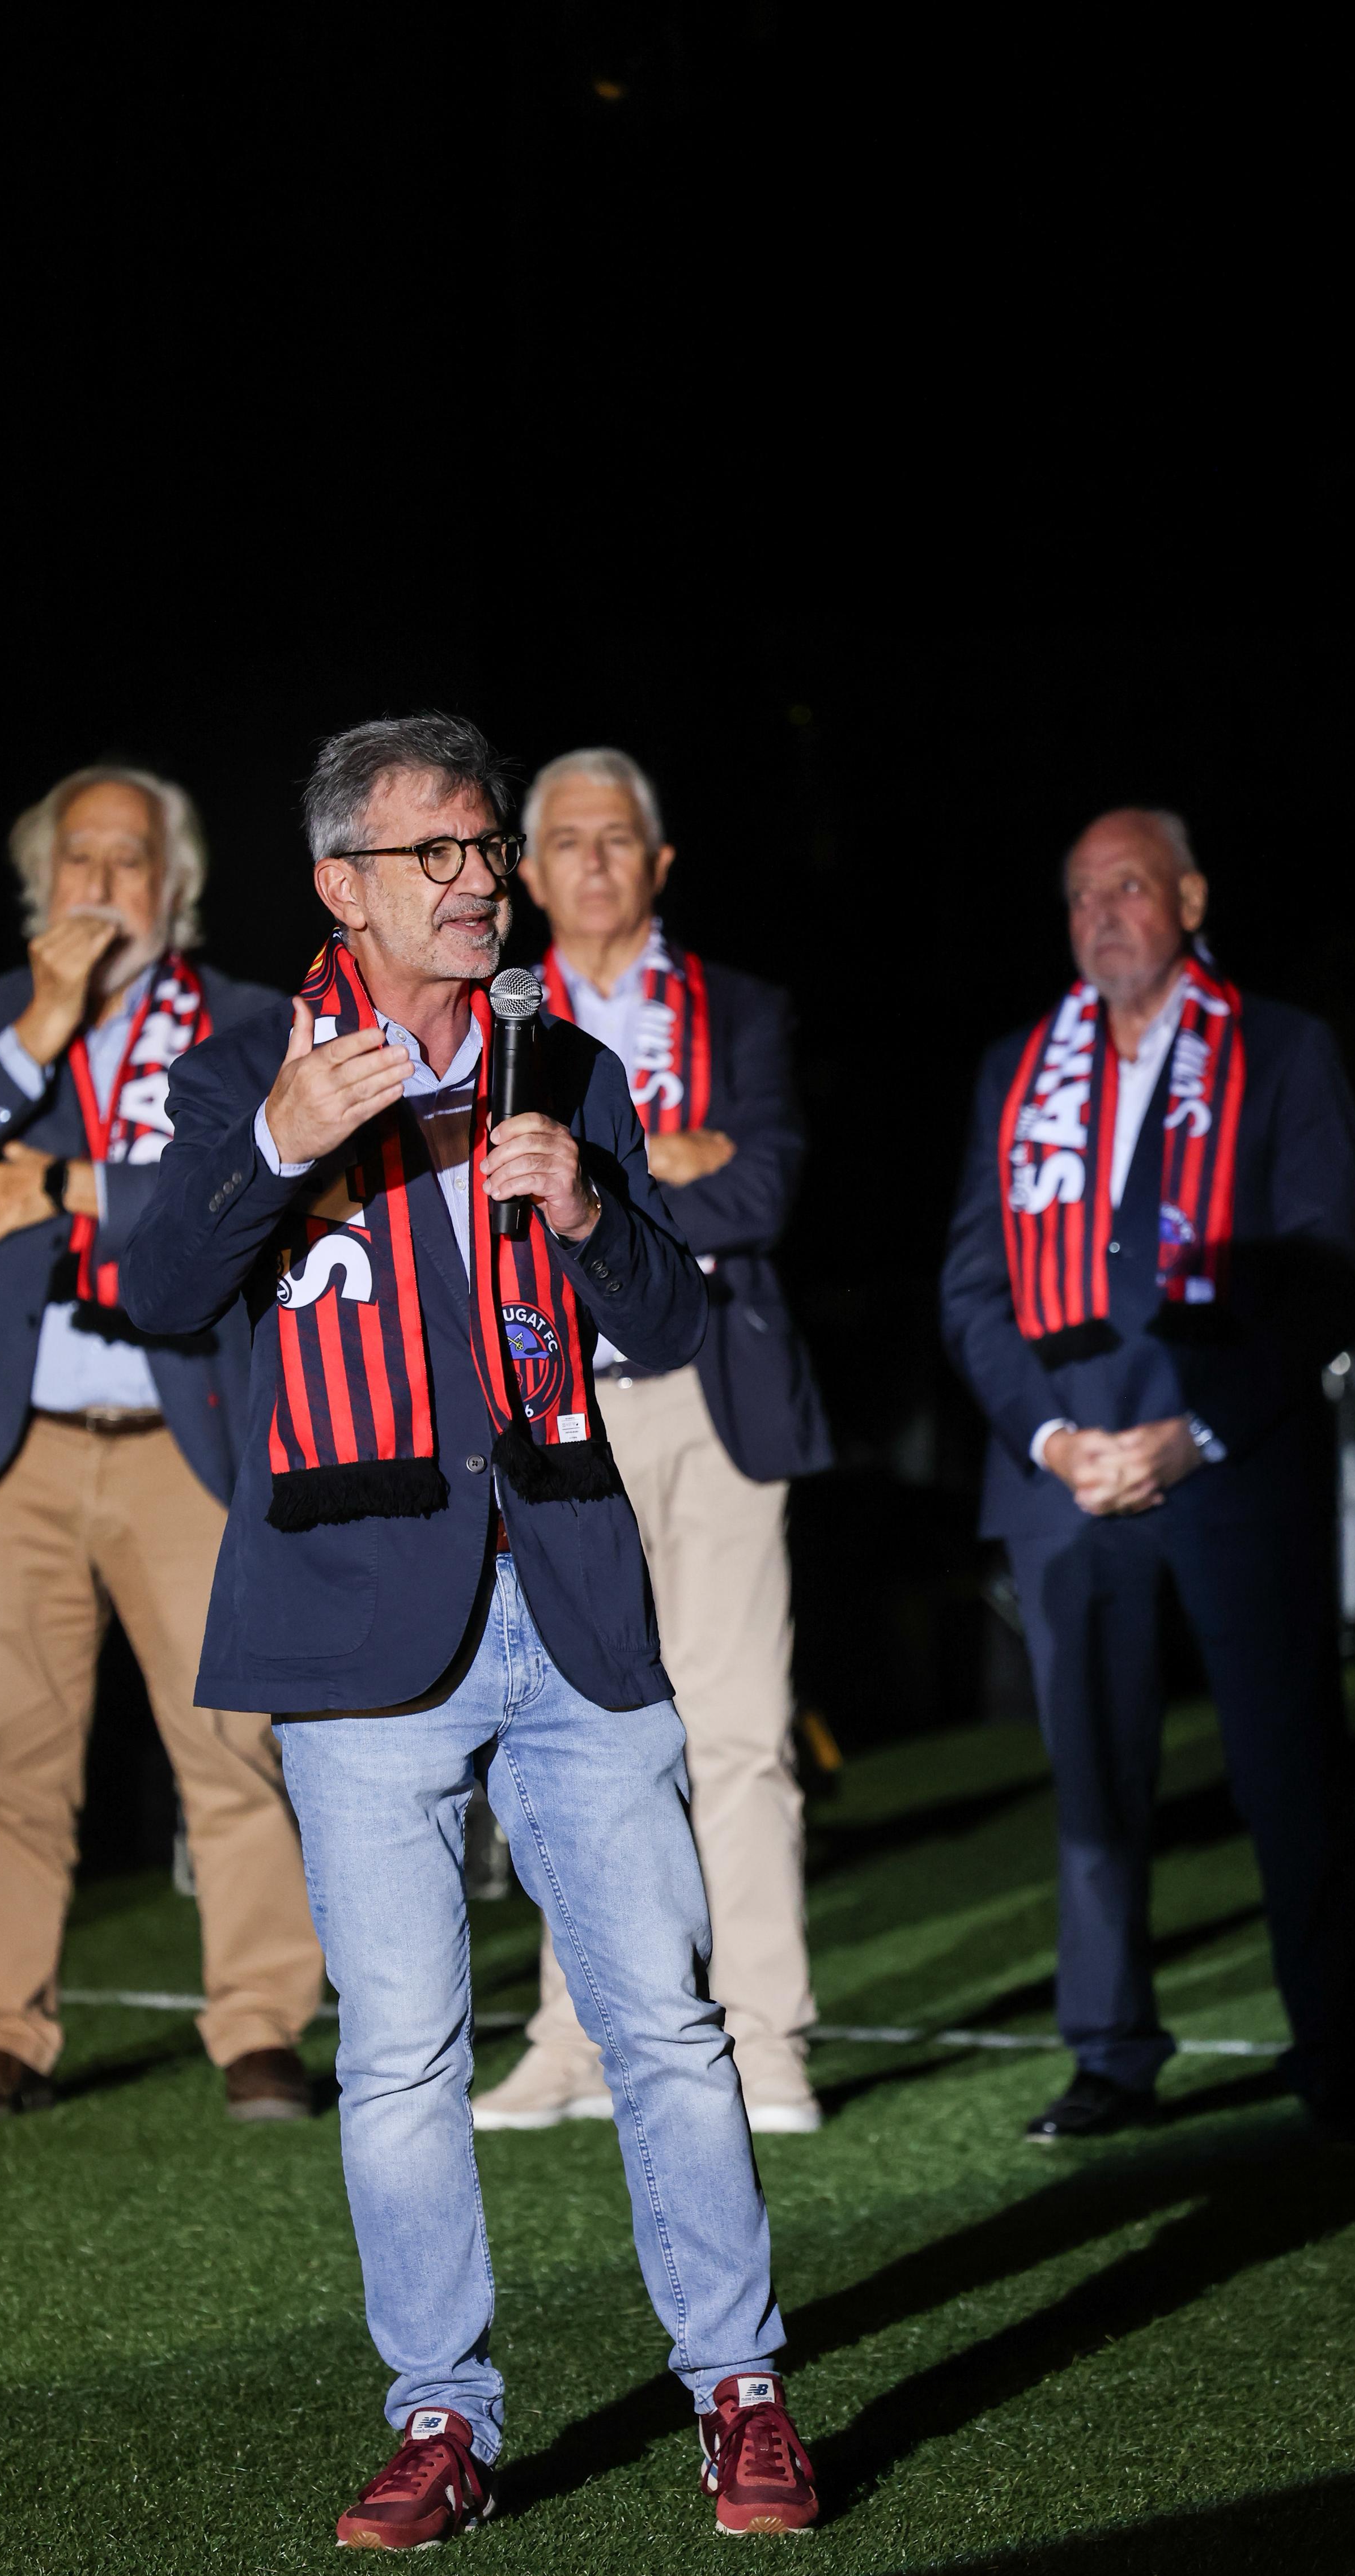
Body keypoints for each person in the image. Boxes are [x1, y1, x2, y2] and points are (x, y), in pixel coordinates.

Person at [123, 713, 818, 2545]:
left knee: (668, 2023)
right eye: (434, 853)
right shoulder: (238, 1068)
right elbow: (152, 1281)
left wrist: (593, 1210)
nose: (475, 881)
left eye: (483, 848)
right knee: (406, 2048)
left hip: (571, 1593)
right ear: (340, 884)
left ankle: (738, 2391)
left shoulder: (558, 1062)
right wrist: (280, 1137)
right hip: (357, 1621)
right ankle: (443, 2420)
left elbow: (664, 1322)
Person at [0, 765, 324, 2127]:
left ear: (176, 891)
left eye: (131, 861)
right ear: (43, 885)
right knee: (15, 1761)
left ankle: (259, 2028)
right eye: (80, 860)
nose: (103, 883)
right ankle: (3, 2033)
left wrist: (73, 1185)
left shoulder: (247, 1025)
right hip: (12, 1445)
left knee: (235, 1747)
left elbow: (255, 1179)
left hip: (178, 1433)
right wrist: (42, 1024)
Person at [940, 806, 1355, 2142]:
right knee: (1095, 1780)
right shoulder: (1022, 1067)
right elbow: (971, 1285)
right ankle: (1111, 2053)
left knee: (1283, 1763)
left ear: (1190, 896)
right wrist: (1051, 1439)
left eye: (1127, 886)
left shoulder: (1283, 1049)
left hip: (1226, 1460)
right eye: (1079, 896)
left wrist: (1195, 1433)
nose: (1102, 915)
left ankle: (1334, 2054)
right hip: (1066, 1475)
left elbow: (1321, 1270)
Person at [470, 747, 832, 2137]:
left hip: (711, 1398)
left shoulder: (736, 1005)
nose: (594, 859)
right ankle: (573, 2043)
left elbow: (767, 1185)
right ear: (529, 869)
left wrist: (616, 1179)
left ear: (659, 862)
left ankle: (766, 2043)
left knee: (737, 1734)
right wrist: (665, 1160)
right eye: (564, 839)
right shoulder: (496, 1019)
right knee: (577, 1738)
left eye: (620, 837)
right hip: (552, 1402)